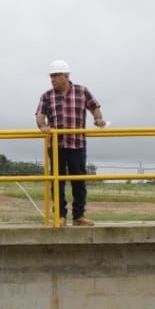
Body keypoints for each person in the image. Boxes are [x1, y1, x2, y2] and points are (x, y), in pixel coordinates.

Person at [35, 58, 106, 226]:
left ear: (66, 76)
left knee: (79, 181)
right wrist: (43, 126)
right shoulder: (47, 96)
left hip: (77, 143)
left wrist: (98, 119)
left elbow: (94, 107)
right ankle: (60, 215)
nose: (52, 79)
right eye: (51, 76)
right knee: (57, 181)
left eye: (56, 75)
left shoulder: (82, 91)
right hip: (57, 145)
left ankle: (78, 216)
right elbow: (40, 115)